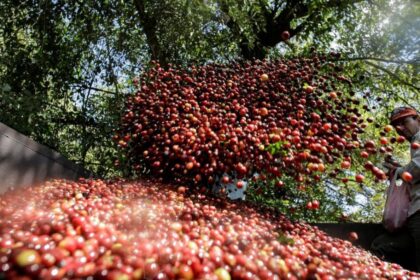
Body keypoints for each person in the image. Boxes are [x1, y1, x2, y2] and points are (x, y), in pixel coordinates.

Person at [370, 106, 420, 272]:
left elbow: (417, 169)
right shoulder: (415, 144)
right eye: (397, 126)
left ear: (417, 119)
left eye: (404, 122)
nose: (400, 129)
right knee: (381, 246)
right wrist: (400, 169)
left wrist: (397, 171)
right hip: (414, 216)